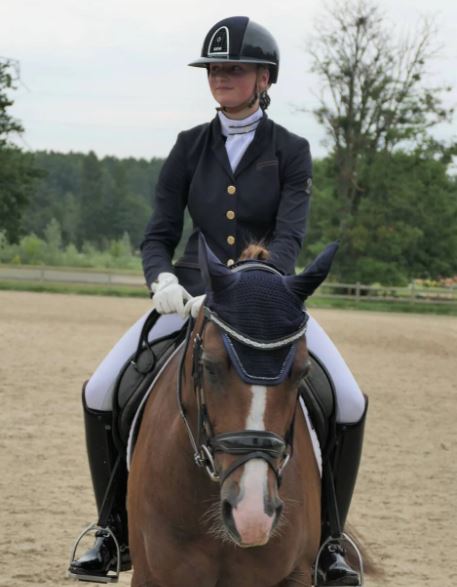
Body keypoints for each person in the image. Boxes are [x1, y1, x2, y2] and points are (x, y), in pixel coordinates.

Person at [68, 16, 367, 586]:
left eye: (234, 68)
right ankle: (111, 533)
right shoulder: (188, 148)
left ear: (264, 78)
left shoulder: (292, 151)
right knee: (101, 388)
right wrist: (161, 280)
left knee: (348, 400)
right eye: (214, 68)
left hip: (269, 303)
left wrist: (259, 283)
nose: (221, 77)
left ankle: (330, 542)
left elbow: (289, 239)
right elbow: (158, 233)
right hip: (190, 295)